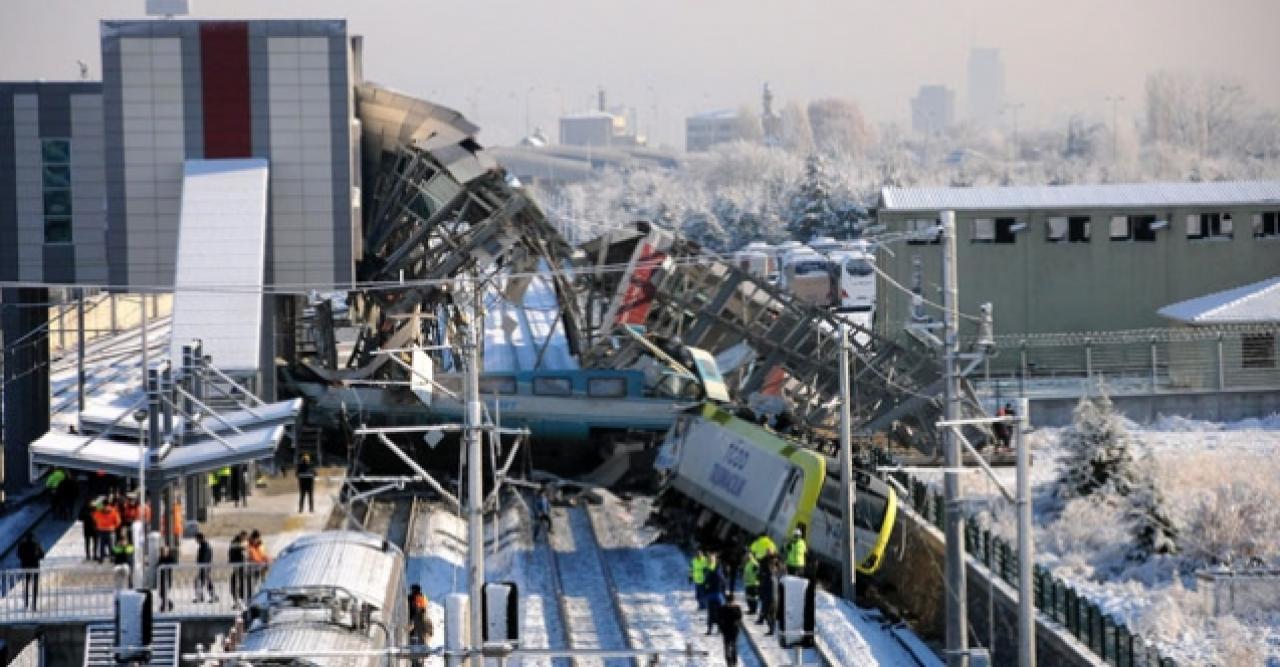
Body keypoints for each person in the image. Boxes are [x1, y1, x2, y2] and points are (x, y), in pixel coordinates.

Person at [17, 532, 44, 610]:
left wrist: (24, 559)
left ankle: (26, 604)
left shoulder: (22, 545)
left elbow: (19, 555)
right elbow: (42, 555)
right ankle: (34, 605)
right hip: (35, 567)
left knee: (26, 586)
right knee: (35, 586)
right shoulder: (37, 544)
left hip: (25, 567)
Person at [716, 592, 744, 666]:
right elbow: (719, 620)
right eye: (729, 602)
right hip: (726, 630)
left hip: (734, 630)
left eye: (731, 601)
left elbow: (739, 618)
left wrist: (737, 624)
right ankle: (728, 662)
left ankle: (734, 661)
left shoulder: (737, 608)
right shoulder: (722, 609)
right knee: (727, 646)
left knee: (734, 645)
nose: (730, 603)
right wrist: (721, 629)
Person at [703, 554, 726, 635]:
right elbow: (705, 581)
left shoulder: (718, 568)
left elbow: (723, 581)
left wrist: (723, 592)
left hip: (718, 593)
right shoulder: (707, 569)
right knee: (710, 612)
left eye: (712, 559)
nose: (710, 560)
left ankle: (719, 629)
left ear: (715, 560)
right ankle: (710, 629)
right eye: (709, 559)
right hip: (711, 594)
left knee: (719, 612)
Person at [756, 554, 778, 635]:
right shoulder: (773, 575)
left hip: (769, 597)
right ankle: (772, 629)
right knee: (771, 614)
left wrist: (760, 593)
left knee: (767, 613)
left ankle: (772, 629)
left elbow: (764, 586)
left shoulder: (768, 576)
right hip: (773, 597)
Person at [194, 532, 217, 603]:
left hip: (204, 567)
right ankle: (204, 597)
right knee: (204, 582)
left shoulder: (205, 546)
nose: (196, 541)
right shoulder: (204, 545)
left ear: (200, 538)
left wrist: (202, 566)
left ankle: (208, 597)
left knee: (200, 582)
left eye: (196, 539)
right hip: (205, 567)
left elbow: (205, 558)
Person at [228, 531, 248, 608]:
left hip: (241, 566)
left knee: (241, 584)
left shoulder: (241, 543)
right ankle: (238, 601)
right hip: (238, 565)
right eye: (244, 537)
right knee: (236, 583)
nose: (245, 539)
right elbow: (234, 552)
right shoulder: (236, 543)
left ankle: (240, 601)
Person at [157, 544, 178, 611]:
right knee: (161, 594)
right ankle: (168, 605)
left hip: (167, 578)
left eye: (164, 551)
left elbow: (174, 563)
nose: (163, 552)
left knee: (164, 593)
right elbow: (158, 565)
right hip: (161, 578)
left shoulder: (170, 557)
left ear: (167, 551)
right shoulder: (161, 558)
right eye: (162, 551)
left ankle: (165, 606)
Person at [742, 551, 760, 616]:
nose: (748, 556)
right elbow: (746, 573)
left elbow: (758, 572)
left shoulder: (753, 563)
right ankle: (751, 609)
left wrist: (757, 580)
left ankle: (753, 610)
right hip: (748, 583)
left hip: (753, 583)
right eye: (747, 555)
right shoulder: (748, 563)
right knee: (749, 597)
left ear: (752, 556)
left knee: (753, 597)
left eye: (749, 555)